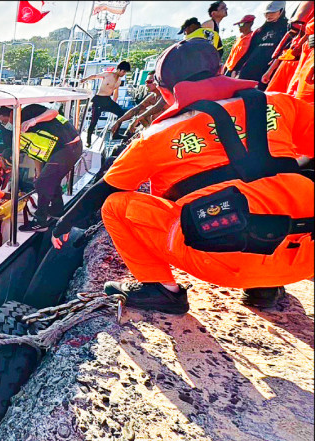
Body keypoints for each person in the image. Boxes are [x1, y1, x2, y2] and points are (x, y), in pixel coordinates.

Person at [50, 38, 313, 313]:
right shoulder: (281, 103)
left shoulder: (158, 135)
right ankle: (266, 287)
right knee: (274, 193)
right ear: (220, 70)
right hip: (304, 257)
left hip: (222, 261)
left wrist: (63, 224)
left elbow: (105, 190)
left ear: (165, 91)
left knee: (115, 206)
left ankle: (163, 290)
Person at [18, 104, 84, 232]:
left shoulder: (28, 111)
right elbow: (34, 152)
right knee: (49, 179)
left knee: (43, 182)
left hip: (69, 146)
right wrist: (39, 172)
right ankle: (57, 210)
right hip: (61, 149)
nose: (8, 123)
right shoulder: (18, 131)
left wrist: (33, 120)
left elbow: (53, 112)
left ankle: (40, 221)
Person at [232, 1, 289, 89]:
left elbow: (284, 52)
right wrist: (236, 68)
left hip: (268, 71)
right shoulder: (260, 30)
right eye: (266, 13)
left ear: (281, 11)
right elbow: (249, 51)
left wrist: (270, 70)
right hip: (250, 69)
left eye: (272, 12)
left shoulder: (287, 28)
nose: (268, 15)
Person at [79, 61, 131, 147]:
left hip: (107, 100)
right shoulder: (108, 74)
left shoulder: (119, 81)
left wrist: (114, 103)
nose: (124, 74)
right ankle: (88, 141)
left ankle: (115, 134)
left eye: (125, 72)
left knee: (122, 113)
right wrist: (85, 79)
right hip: (98, 100)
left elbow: (116, 92)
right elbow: (95, 76)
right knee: (94, 121)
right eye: (124, 71)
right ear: (119, 69)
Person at [109, 71, 168, 140]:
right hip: (156, 128)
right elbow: (136, 109)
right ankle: (148, 134)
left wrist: (137, 119)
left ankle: (152, 136)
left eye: (149, 82)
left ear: (157, 82)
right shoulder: (152, 97)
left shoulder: (166, 94)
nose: (146, 84)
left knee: (153, 115)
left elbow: (157, 107)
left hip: (167, 128)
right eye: (146, 82)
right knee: (140, 111)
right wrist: (119, 121)